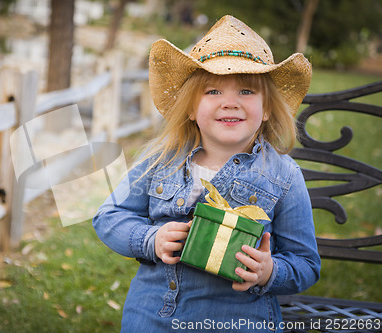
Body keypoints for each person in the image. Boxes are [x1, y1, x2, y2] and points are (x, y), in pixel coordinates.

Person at [93, 15, 320, 332]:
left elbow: (306, 264)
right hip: (153, 316)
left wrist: (269, 271)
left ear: (267, 108)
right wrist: (150, 239)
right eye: (213, 91)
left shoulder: (283, 175)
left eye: (246, 91)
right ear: (190, 108)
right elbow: (108, 215)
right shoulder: (160, 159)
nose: (229, 103)